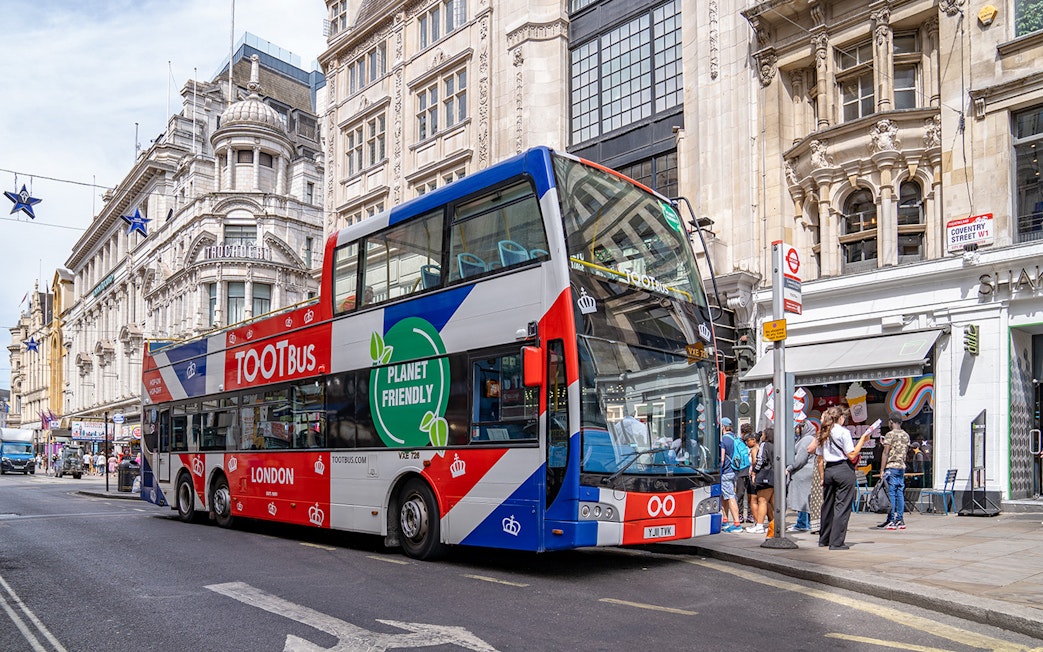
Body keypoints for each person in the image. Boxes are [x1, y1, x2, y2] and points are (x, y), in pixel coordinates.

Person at [810, 405, 875, 550]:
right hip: (843, 470)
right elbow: (851, 454)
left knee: (827, 506)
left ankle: (824, 539)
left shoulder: (823, 432)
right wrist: (862, 440)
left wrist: (822, 477)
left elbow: (820, 460)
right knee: (842, 507)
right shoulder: (843, 432)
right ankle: (836, 542)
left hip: (829, 470)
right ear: (840, 418)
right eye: (844, 417)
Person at [878, 412, 911, 530]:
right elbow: (905, 452)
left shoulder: (889, 435)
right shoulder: (906, 435)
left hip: (891, 467)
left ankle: (891, 519)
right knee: (899, 492)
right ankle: (900, 519)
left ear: (891, 421)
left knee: (891, 492)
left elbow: (886, 452)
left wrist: (882, 470)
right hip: (901, 467)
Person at [719, 417, 750, 533]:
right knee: (724, 496)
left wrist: (719, 470)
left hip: (726, 472)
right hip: (735, 471)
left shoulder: (724, 440)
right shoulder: (735, 437)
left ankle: (737, 524)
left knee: (730, 496)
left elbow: (722, 459)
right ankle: (725, 521)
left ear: (723, 427)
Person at [786, 421, 817, 533]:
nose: (796, 430)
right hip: (807, 473)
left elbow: (800, 459)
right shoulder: (809, 439)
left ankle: (802, 523)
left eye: (798, 427)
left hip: (803, 474)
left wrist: (789, 468)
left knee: (802, 499)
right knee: (805, 499)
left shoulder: (806, 440)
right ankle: (805, 522)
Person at [749, 428, 775, 536]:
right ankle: (774, 524)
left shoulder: (764, 445)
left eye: (763, 434)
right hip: (774, 475)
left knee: (762, 501)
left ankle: (759, 525)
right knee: (773, 502)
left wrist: (754, 472)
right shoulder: (776, 445)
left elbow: (760, 460)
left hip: (765, 475)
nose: (761, 436)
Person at [740, 426, 759, 524]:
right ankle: (752, 516)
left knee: (749, 497)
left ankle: (752, 518)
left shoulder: (754, 448)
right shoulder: (755, 447)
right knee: (751, 496)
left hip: (748, 472)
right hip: (749, 472)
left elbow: (755, 461)